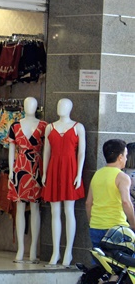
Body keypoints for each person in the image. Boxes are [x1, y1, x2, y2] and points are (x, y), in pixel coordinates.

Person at [42, 98, 86, 267]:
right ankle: (55, 251)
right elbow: (46, 151)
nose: (61, 107)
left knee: (69, 211)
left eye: (65, 105)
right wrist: (45, 172)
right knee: (55, 212)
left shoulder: (78, 127)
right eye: (59, 104)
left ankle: (68, 251)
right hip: (54, 169)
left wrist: (79, 174)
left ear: (71, 108)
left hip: (70, 169)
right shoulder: (49, 127)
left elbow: (81, 153)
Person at [8, 97, 47, 263]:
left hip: (36, 168)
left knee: (35, 207)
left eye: (32, 104)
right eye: (27, 104)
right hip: (20, 167)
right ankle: (21, 249)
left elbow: (47, 151)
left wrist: (44, 171)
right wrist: (11, 170)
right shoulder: (15, 126)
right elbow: (11, 150)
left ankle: (32, 249)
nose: (29, 106)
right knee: (20, 207)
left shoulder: (44, 126)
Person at [86, 139, 135, 249]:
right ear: (120, 157)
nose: (126, 159)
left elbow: (88, 203)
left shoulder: (97, 174)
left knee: (99, 262)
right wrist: (133, 223)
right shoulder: (122, 177)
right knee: (120, 263)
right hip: (116, 228)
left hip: (95, 226)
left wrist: (92, 222)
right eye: (126, 155)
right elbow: (126, 202)